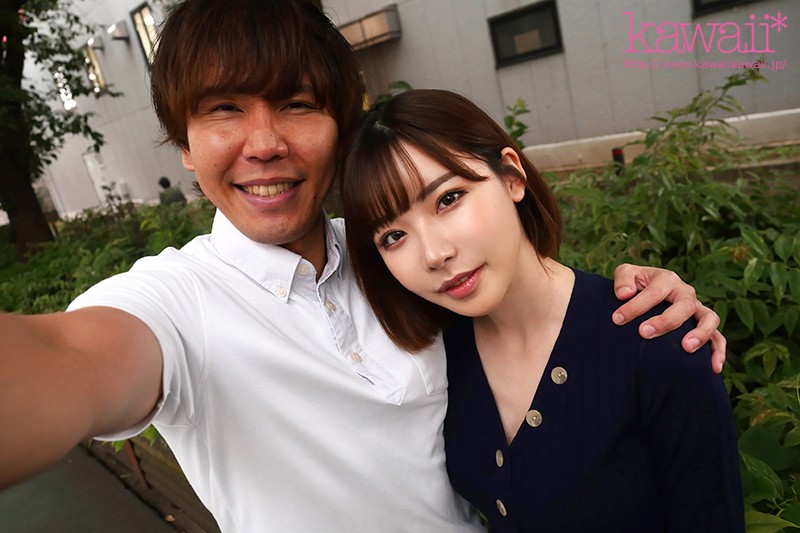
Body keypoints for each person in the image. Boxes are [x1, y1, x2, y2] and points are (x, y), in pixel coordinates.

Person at [0, 1, 725, 531]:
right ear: (184, 145)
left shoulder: (395, 254)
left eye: (296, 103)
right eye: (223, 109)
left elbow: (526, 298)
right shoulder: (176, 303)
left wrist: (641, 302)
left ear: (341, 131)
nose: (264, 143)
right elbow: (69, 359)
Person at [341, 89, 744, 532]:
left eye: (448, 199)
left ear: (512, 177)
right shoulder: (436, 359)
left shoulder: (656, 342)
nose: (434, 254)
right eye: (393, 236)